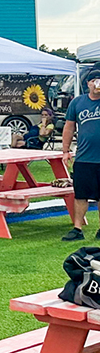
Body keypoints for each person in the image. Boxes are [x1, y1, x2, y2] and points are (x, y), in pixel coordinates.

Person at [61, 71, 100, 241]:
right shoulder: (78, 102)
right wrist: (65, 150)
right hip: (84, 157)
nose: (97, 84)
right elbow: (69, 127)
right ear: (88, 84)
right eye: (93, 81)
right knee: (80, 194)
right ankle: (77, 228)